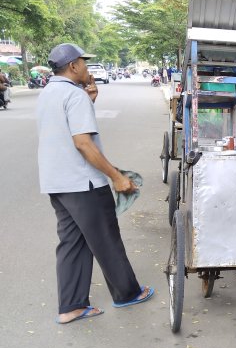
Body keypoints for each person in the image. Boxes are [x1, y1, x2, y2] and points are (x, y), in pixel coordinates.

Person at [36, 43, 154, 325]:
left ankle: (71, 307)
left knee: (72, 243)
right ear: (73, 66)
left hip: (56, 182)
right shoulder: (73, 96)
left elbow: (65, 131)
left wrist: (89, 99)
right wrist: (117, 177)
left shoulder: (49, 92)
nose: (87, 68)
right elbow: (83, 145)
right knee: (106, 238)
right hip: (83, 182)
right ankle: (127, 293)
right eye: (84, 63)